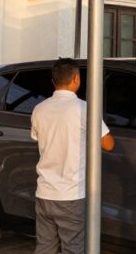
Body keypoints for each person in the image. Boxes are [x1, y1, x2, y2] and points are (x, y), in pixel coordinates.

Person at [30, 59, 115, 254]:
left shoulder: (39, 109)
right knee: (73, 248)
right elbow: (108, 144)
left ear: (53, 82)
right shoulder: (83, 109)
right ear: (76, 79)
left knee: (44, 247)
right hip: (71, 194)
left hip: (44, 192)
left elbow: (37, 137)